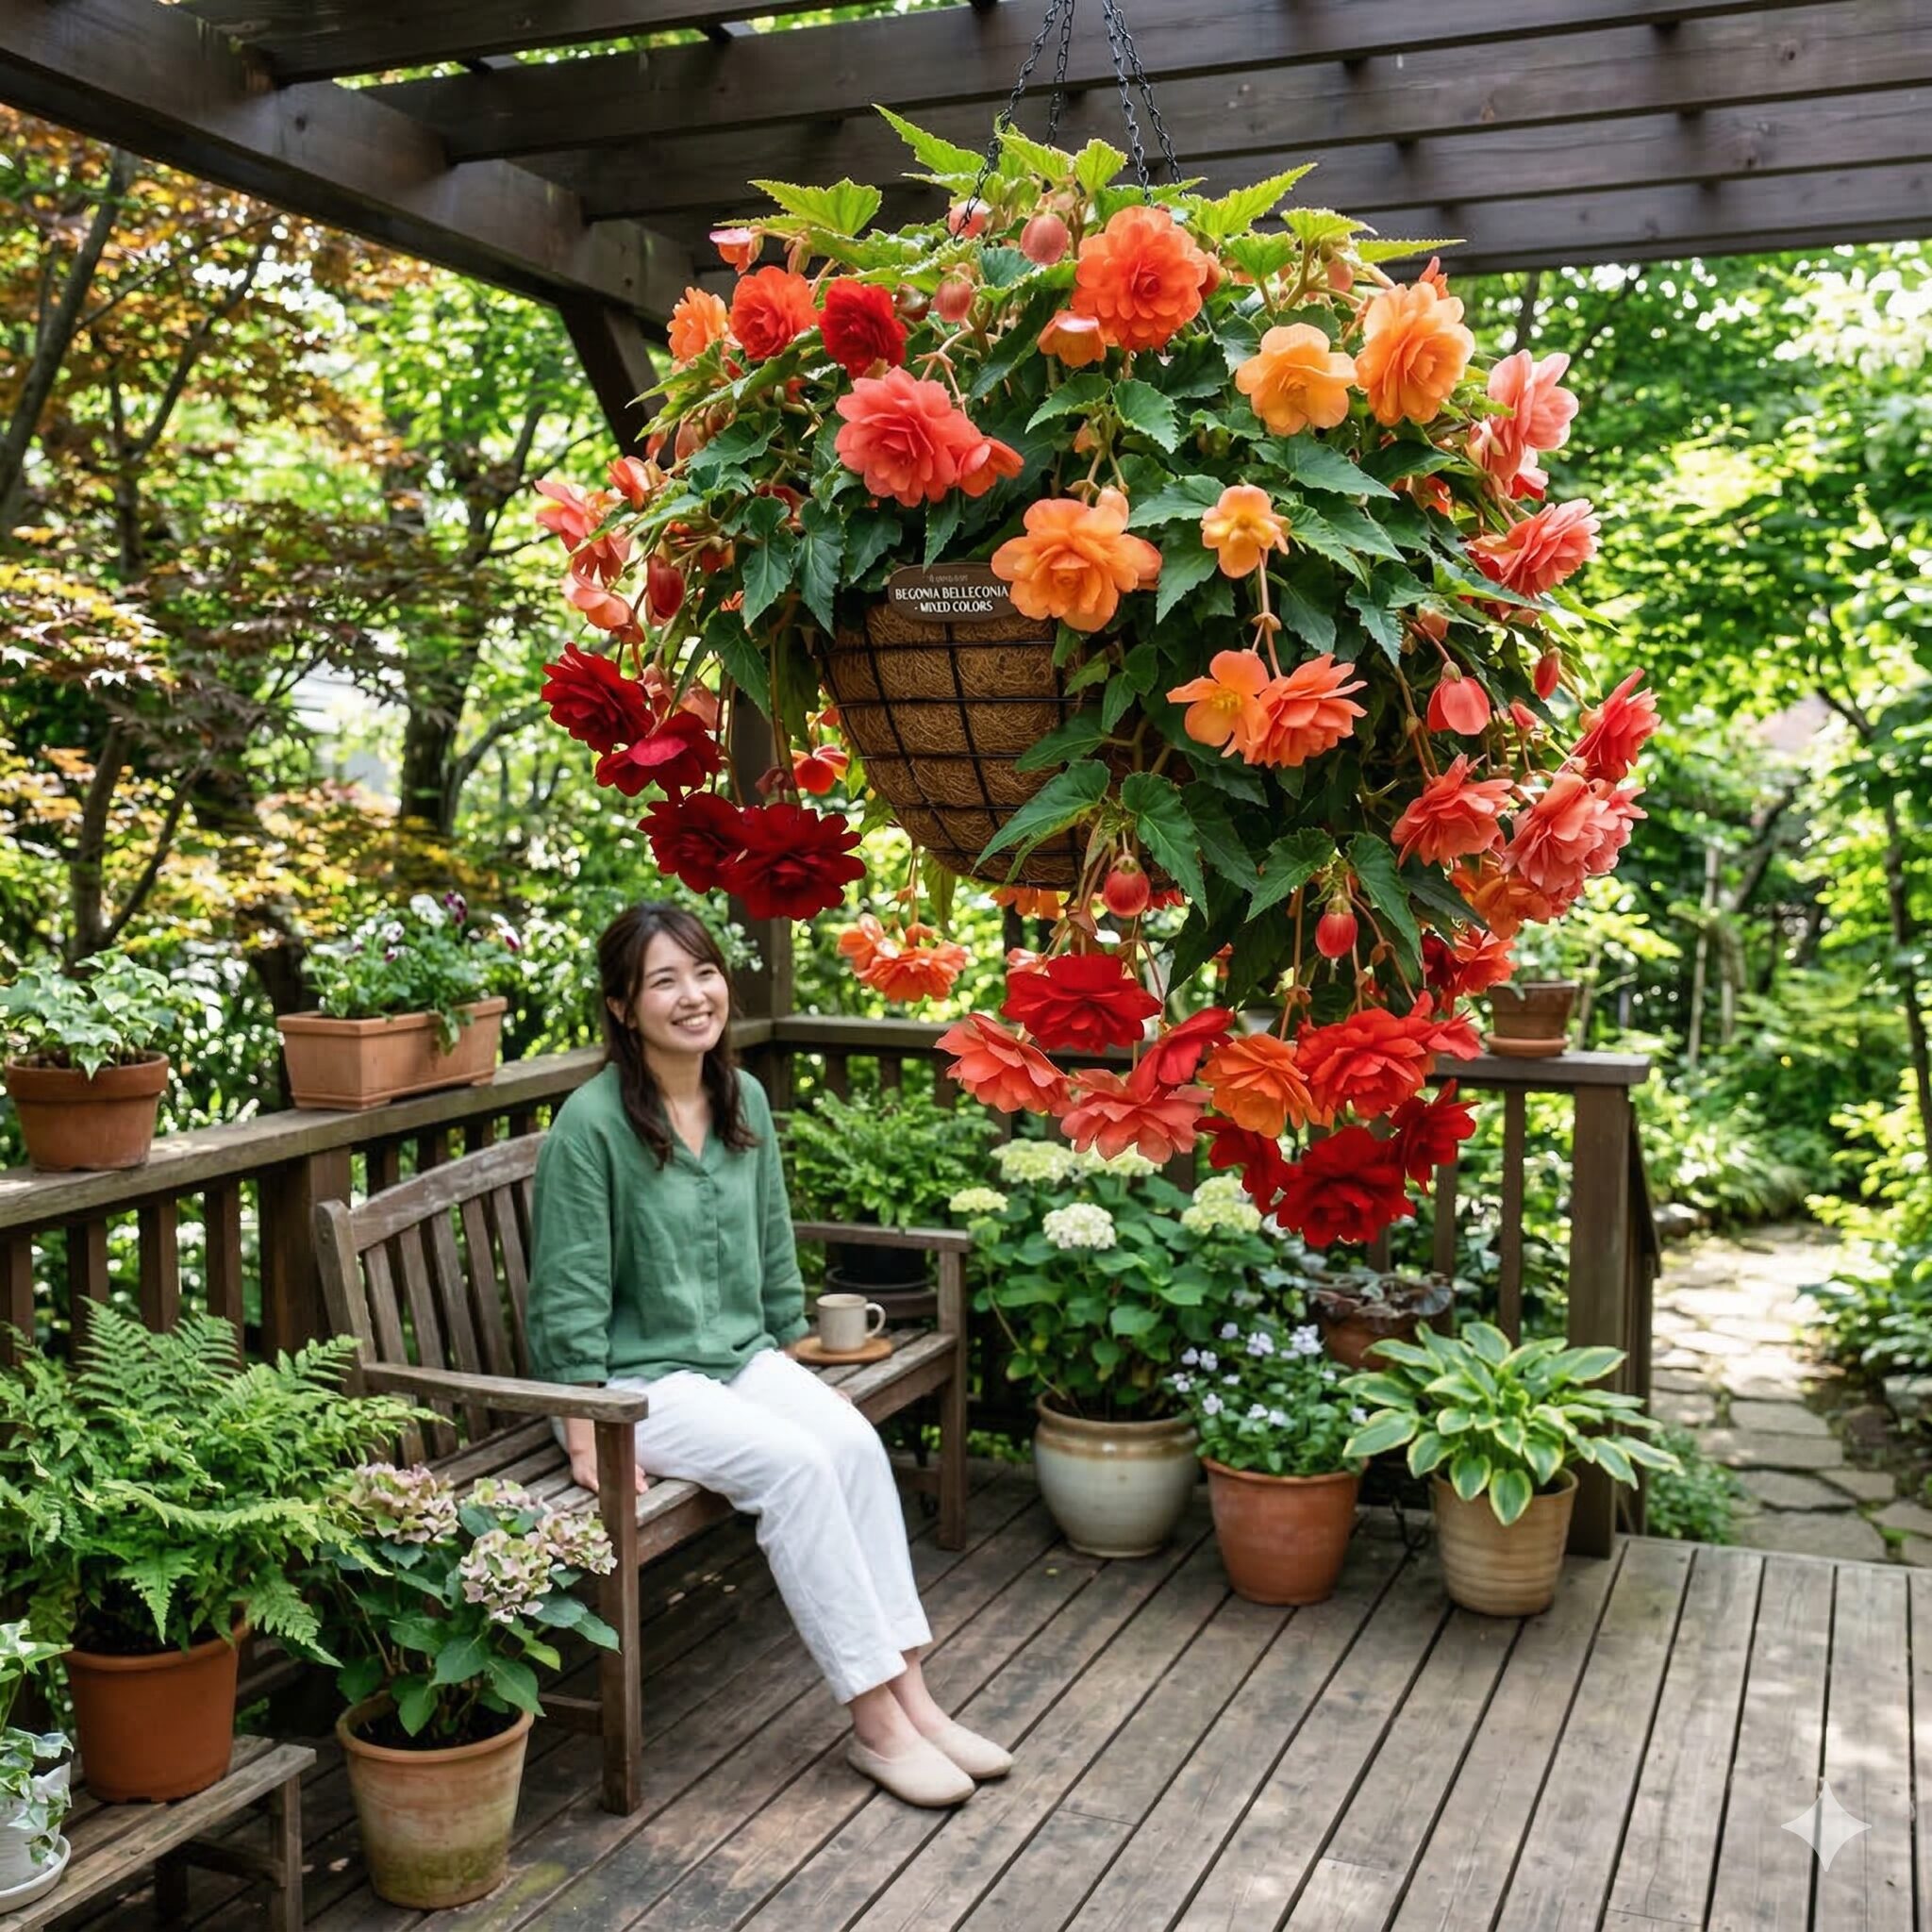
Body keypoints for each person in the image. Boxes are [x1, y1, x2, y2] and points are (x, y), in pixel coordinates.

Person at [525, 902, 1009, 1808]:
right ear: (624, 1009)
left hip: (737, 1356)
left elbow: (771, 1229)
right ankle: (876, 1727)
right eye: (662, 980)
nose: (692, 994)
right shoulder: (591, 1126)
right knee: (794, 1471)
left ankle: (916, 1700)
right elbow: (568, 1285)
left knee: (853, 1446)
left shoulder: (740, 1098)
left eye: (702, 972)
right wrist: (583, 1423)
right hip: (638, 1383)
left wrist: (790, 1334)